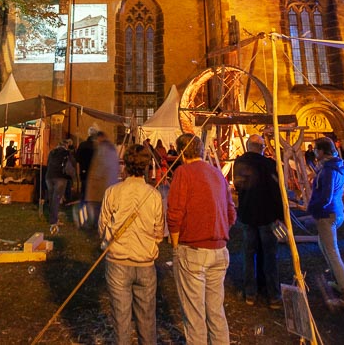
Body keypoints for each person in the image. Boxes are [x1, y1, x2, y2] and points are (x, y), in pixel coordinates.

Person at [167, 133, 236, 345]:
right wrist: (218, 230)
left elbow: (175, 212)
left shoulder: (183, 172)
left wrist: (176, 245)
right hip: (219, 250)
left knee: (195, 314)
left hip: (193, 249)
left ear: (181, 153)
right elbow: (231, 213)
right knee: (216, 311)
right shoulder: (217, 173)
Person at [99, 144, 165, 345]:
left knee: (121, 322)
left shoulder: (113, 192)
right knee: (147, 321)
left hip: (118, 262)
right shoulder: (154, 195)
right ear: (146, 166)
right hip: (145, 263)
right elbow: (159, 232)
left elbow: (102, 227)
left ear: (125, 165)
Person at [233, 134, 284, 309]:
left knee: (249, 254)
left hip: (247, 214)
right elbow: (276, 192)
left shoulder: (239, 164)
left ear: (248, 146)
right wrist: (281, 215)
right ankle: (273, 295)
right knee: (269, 255)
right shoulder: (268, 165)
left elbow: (238, 186)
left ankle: (250, 293)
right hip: (266, 215)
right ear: (261, 148)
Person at [308, 137, 344, 310]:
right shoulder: (337, 166)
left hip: (327, 213)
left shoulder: (329, 170)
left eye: (316, 149)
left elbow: (326, 197)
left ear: (322, 151)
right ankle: (338, 281)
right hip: (336, 211)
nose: (314, 152)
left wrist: (312, 208)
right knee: (324, 247)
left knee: (333, 253)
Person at [85, 131, 120, 230]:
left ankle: (96, 225)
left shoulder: (102, 149)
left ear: (99, 138)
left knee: (96, 207)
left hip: (100, 185)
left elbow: (99, 168)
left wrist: (94, 179)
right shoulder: (112, 149)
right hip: (111, 184)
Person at [45, 138, 73, 234]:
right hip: (60, 177)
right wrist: (72, 177)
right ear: (66, 145)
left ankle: (52, 217)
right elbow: (69, 167)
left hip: (49, 177)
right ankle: (54, 220)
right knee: (56, 199)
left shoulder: (52, 152)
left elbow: (48, 163)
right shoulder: (66, 153)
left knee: (51, 198)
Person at [76, 129, 97, 201]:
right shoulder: (98, 146)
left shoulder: (82, 145)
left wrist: (78, 172)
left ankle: (83, 204)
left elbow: (77, 160)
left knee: (84, 190)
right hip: (95, 173)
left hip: (84, 171)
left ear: (88, 134)